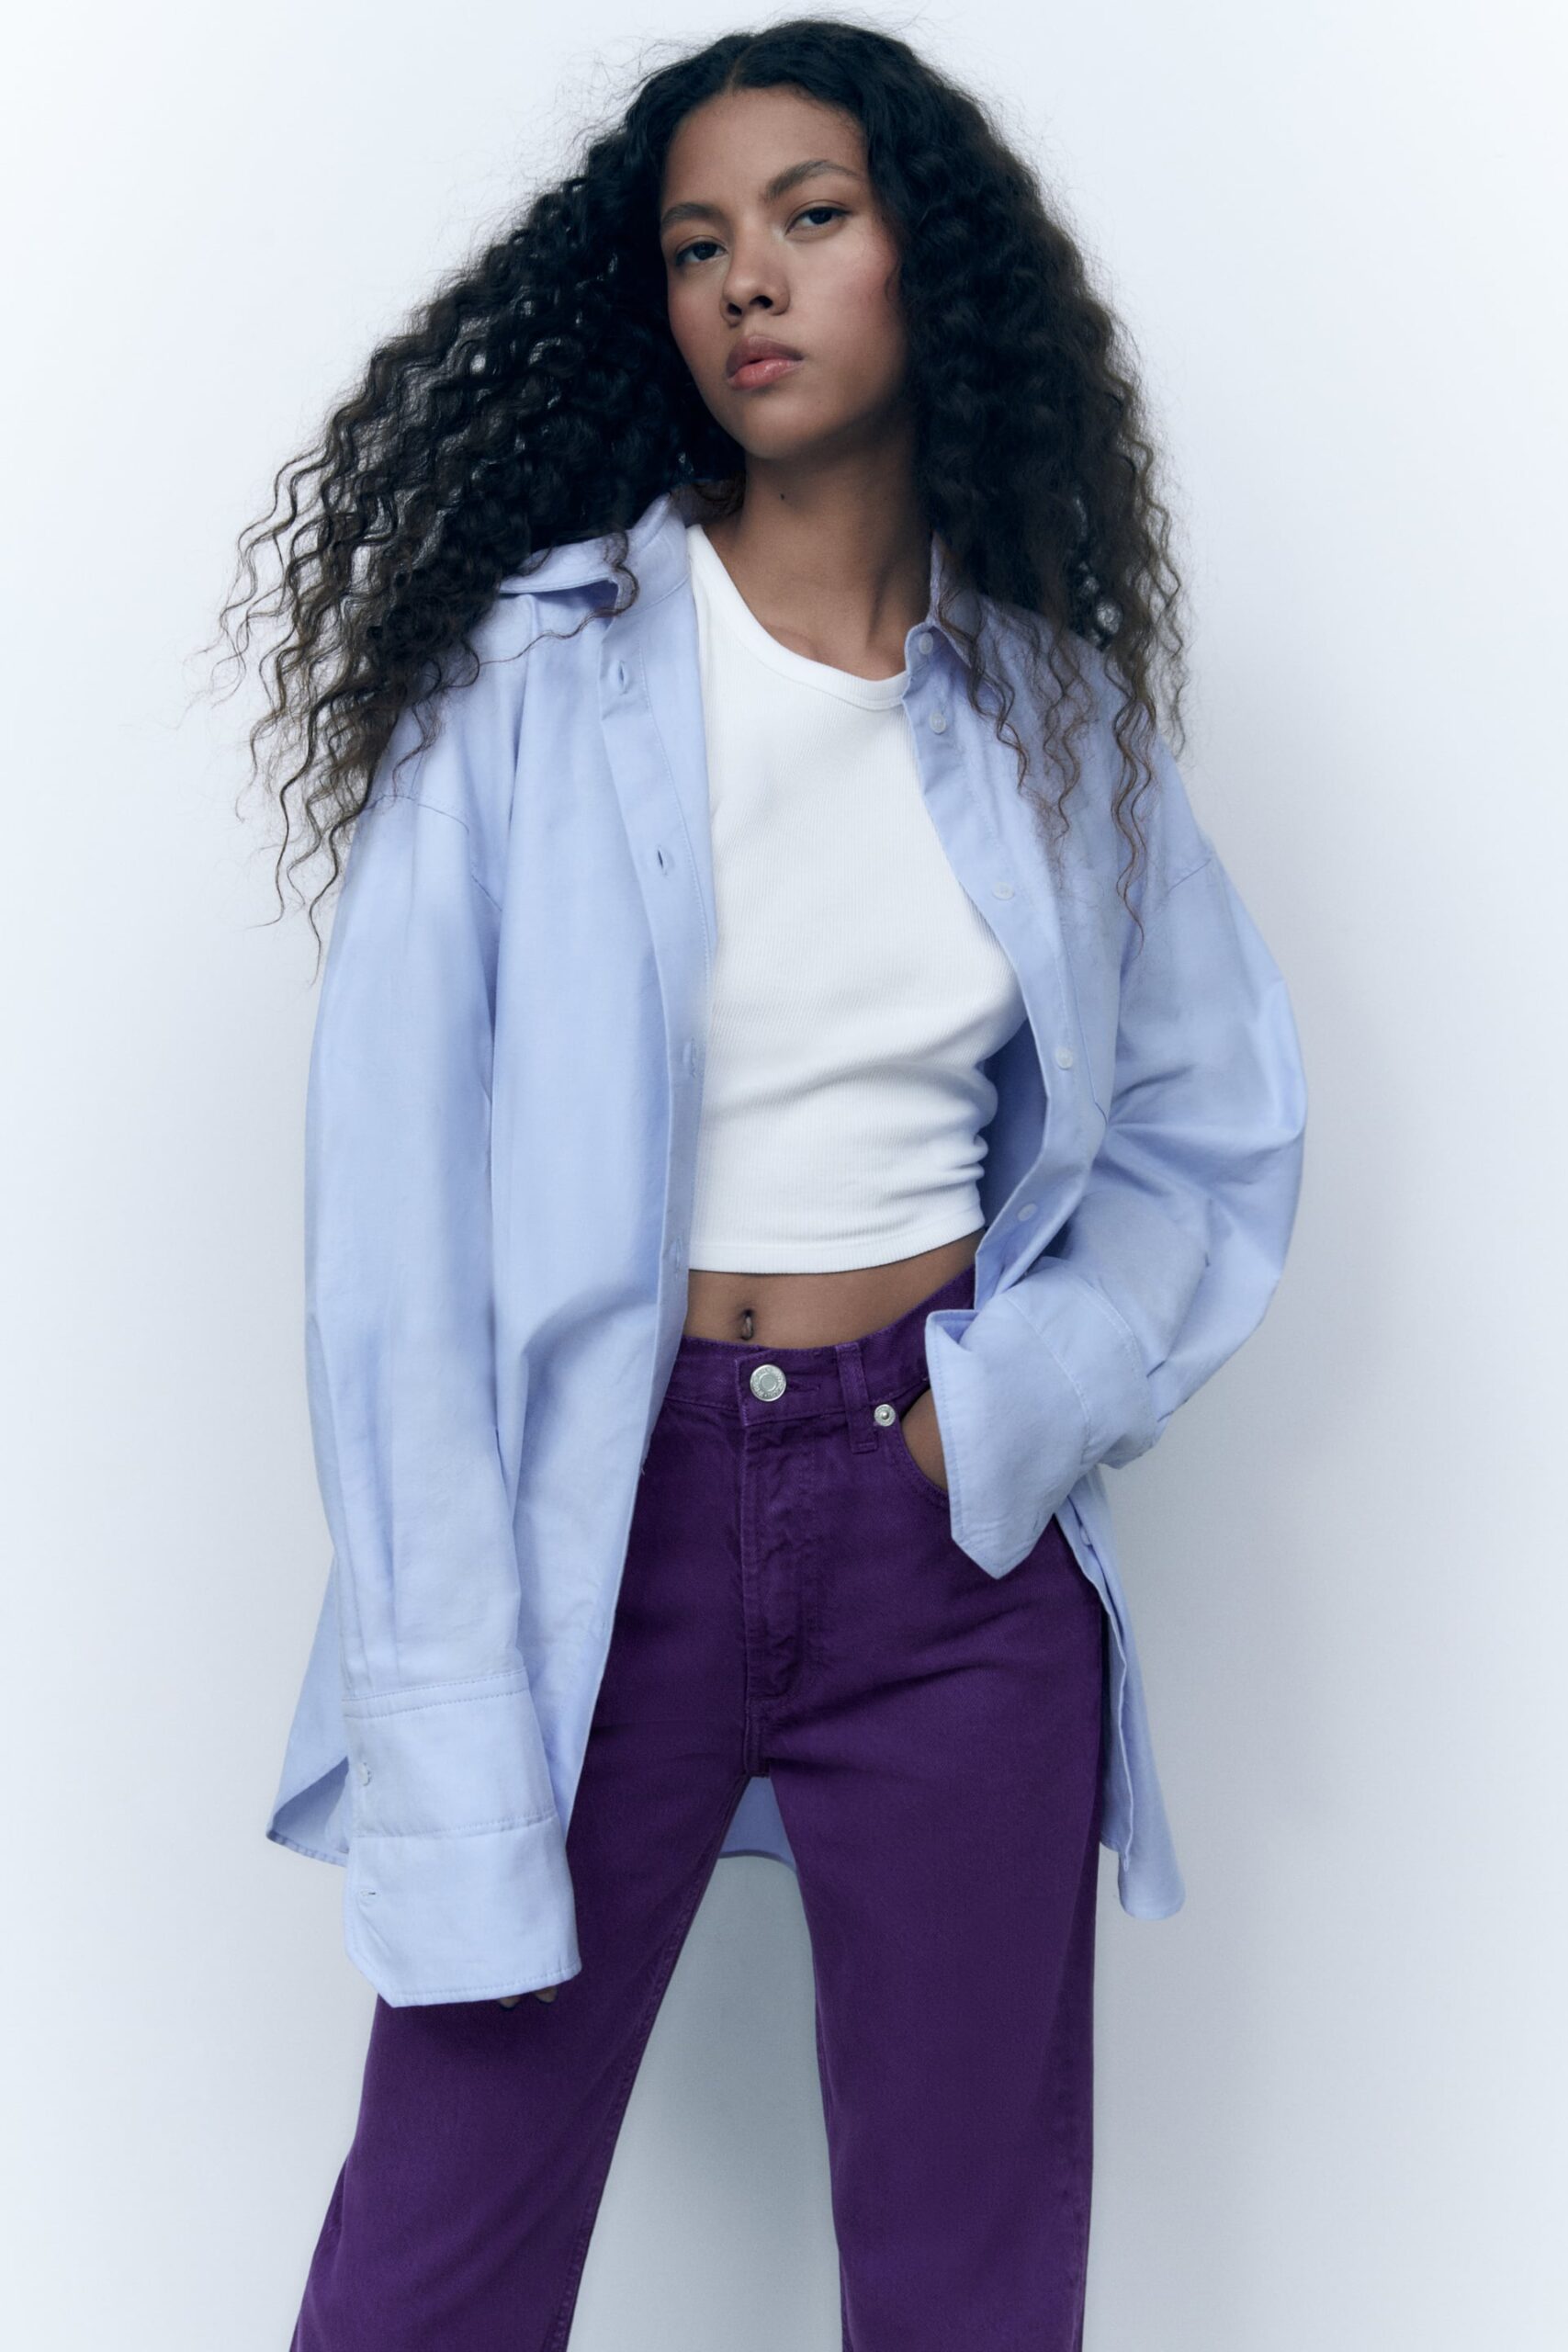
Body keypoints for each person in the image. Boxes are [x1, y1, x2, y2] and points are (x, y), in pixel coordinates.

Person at [218, 19, 1307, 2348]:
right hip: (603, 1521)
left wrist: (1012, 1401)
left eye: (810, 218)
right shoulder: (524, 686)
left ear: (930, 265)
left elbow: (1202, 1132)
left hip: (942, 1533)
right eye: (698, 242)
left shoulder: (1053, 723)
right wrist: (438, 1677)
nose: (748, 281)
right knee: (432, 2256)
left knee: (966, 2268)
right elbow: (391, 1255)